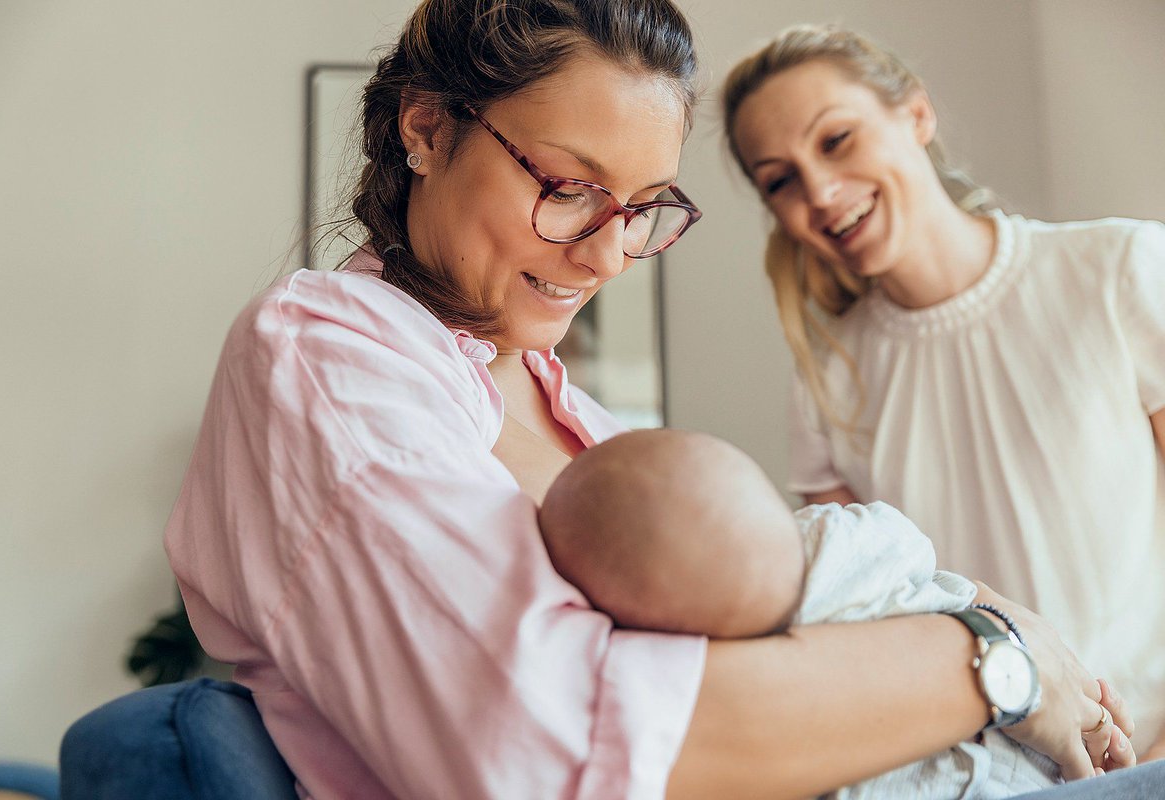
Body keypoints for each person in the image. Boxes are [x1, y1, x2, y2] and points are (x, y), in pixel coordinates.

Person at [163, 2, 1156, 797]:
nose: (605, 255)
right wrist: (996, 656)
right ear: (426, 128)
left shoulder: (591, 428)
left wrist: (977, 610)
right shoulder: (326, 351)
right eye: (566, 185)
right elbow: (546, 744)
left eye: (640, 209)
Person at [721, 23, 1165, 761]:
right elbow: (859, 622)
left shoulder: (1123, 269)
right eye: (780, 179)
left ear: (915, 115)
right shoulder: (826, 377)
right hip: (983, 775)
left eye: (836, 140)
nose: (821, 194)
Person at [540, 427, 1084, 798]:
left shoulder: (840, 545)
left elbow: (936, 575)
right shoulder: (841, 549)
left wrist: (988, 614)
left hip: (1025, 721)